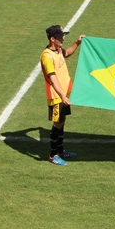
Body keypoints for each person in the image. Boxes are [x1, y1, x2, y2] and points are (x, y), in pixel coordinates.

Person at [40, 25, 84, 166]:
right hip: (56, 96)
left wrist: (77, 42)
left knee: (62, 122)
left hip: (63, 94)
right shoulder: (47, 56)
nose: (63, 39)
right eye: (60, 37)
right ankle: (53, 155)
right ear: (52, 39)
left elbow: (67, 53)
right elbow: (52, 80)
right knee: (57, 124)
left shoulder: (58, 50)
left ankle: (61, 151)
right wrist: (63, 96)